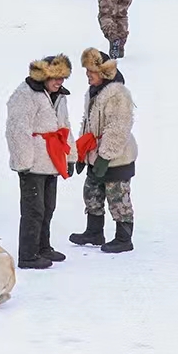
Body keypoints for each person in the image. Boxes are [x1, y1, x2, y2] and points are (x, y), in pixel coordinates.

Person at [5, 54, 77, 270]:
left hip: (52, 160)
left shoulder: (59, 96)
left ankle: (43, 247)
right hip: (33, 162)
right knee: (33, 209)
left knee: (48, 207)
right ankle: (27, 254)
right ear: (44, 76)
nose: (60, 83)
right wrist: (23, 162)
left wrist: (70, 156)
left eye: (63, 79)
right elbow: (17, 129)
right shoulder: (25, 94)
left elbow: (65, 127)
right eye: (56, 78)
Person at [70, 48, 138, 253]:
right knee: (91, 192)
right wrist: (82, 153)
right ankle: (94, 232)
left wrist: (105, 156)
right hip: (95, 154)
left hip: (116, 157)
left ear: (104, 72)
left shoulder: (118, 95)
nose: (88, 75)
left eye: (92, 71)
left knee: (118, 196)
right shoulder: (92, 92)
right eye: (87, 70)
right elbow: (88, 123)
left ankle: (124, 238)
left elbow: (118, 127)